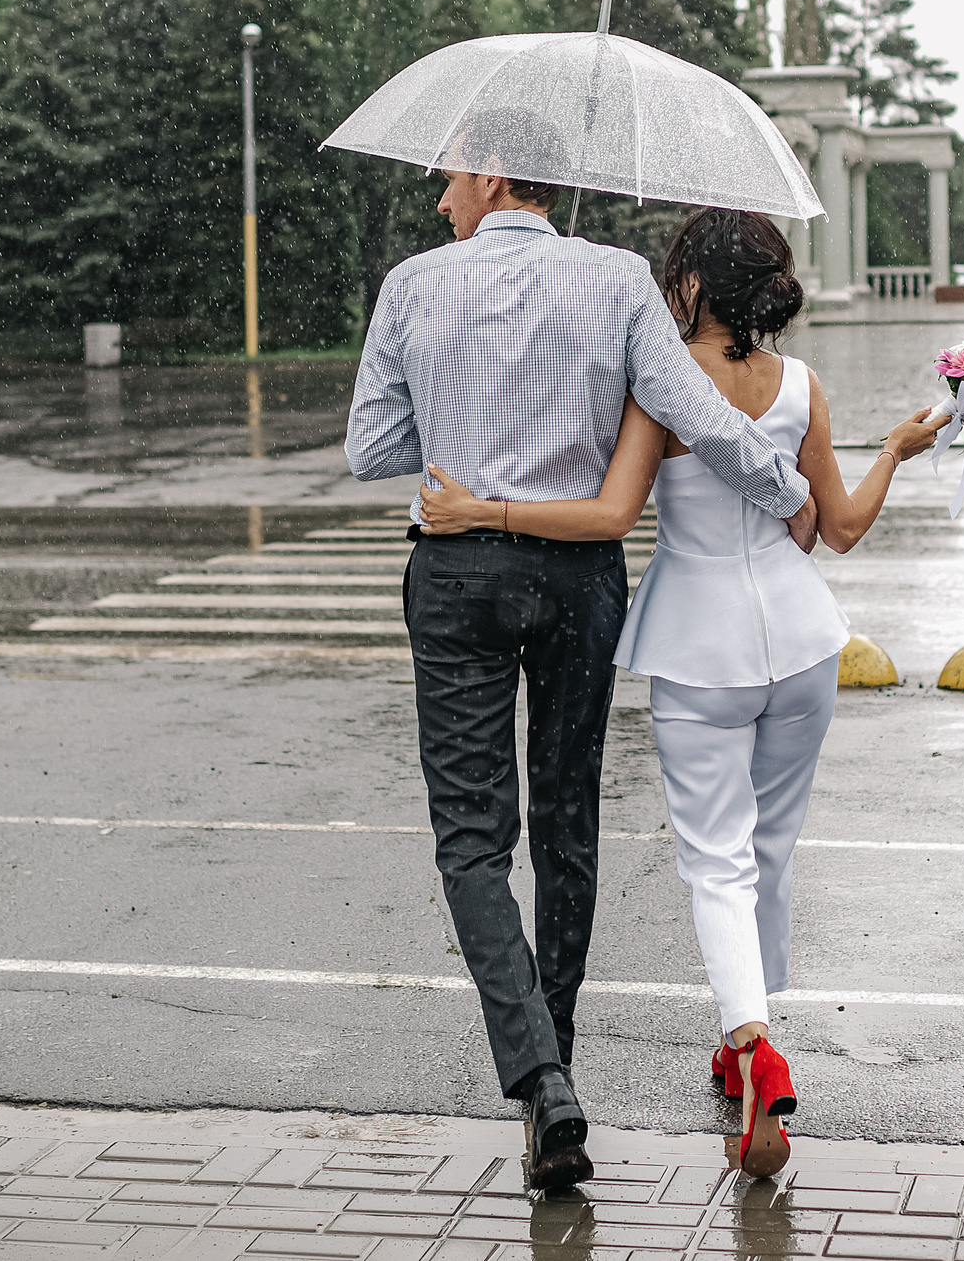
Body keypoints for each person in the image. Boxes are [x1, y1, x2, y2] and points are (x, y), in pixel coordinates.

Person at [418, 206, 940, 1179]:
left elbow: (607, 508)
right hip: (803, 646)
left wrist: (485, 503)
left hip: (699, 650)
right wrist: (895, 451)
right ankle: (742, 1029)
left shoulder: (657, 387)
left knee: (715, 862)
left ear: (691, 286)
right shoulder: (802, 385)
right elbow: (836, 530)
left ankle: (752, 1042)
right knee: (768, 850)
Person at [345, 128, 818, 1194]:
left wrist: (457, 398)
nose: (439, 203)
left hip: (458, 572)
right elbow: (697, 412)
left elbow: (369, 448)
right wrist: (791, 495)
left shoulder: (414, 287)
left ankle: (541, 1079)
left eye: (451, 178)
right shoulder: (614, 281)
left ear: (499, 175)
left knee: (472, 839)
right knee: (566, 823)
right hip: (577, 577)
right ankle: (552, 1060)